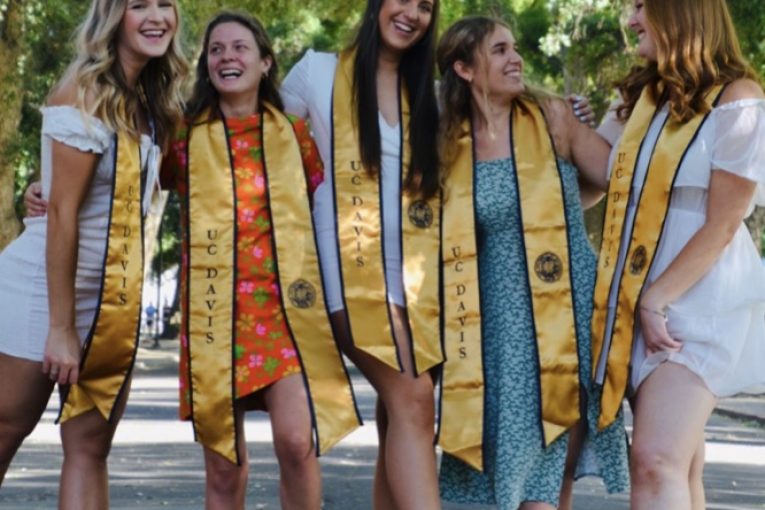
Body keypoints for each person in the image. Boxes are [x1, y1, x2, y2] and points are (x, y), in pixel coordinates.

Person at [161, 11, 359, 510]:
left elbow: (329, 207)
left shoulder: (295, 133)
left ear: (266, 62)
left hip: (285, 314)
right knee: (226, 469)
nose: (228, 56)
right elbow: (129, 181)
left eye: (240, 48)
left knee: (297, 443)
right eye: (217, 50)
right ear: (206, 66)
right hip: (214, 318)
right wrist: (43, 189)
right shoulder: (182, 136)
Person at [435, 16, 629, 510]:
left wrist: (619, 118)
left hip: (566, 298)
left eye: (514, 47)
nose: (515, 58)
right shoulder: (445, 144)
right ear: (463, 68)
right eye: (499, 51)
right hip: (497, 318)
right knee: (507, 446)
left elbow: (606, 177)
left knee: (556, 441)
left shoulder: (550, 116)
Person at [0, 0, 188, 506]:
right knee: (5, 429)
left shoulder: (155, 105)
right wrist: (61, 329)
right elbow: (61, 214)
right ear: (111, 18)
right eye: (138, 6)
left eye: (165, 4)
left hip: (111, 301)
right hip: (43, 291)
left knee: (89, 447)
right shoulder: (83, 94)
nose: (156, 17)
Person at [591, 1, 765, 509]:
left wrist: (656, 299)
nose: (631, 20)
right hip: (643, 299)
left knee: (656, 460)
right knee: (680, 465)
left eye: (642, 6)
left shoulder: (738, 100)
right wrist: (559, 120)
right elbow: (602, 174)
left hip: (697, 297)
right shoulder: (643, 98)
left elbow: (725, 219)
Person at [280, 1, 445, 507]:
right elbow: (253, 144)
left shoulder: (432, 96)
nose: (412, 13)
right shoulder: (318, 73)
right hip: (349, 273)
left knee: (401, 415)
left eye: (426, 6)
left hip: (420, 283)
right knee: (414, 402)